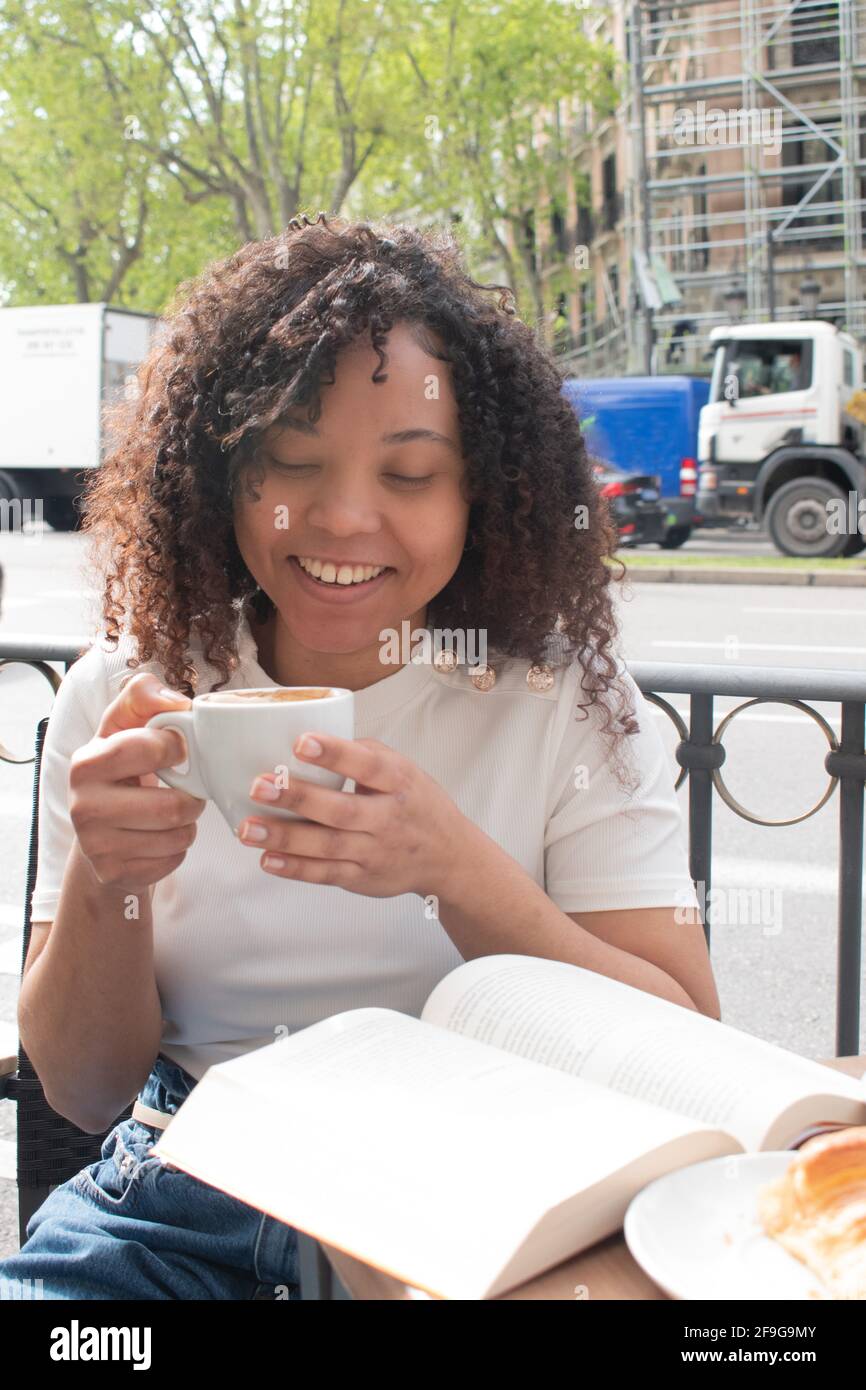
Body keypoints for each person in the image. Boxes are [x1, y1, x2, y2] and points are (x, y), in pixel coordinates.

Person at [0, 213, 719, 1301]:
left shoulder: (556, 695)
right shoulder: (134, 689)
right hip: (181, 1206)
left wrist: (453, 865)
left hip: (487, 1203)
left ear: (483, 492)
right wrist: (110, 881)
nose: (339, 518)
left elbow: (686, 1048)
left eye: (410, 473)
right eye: (289, 461)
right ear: (224, 478)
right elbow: (85, 1089)